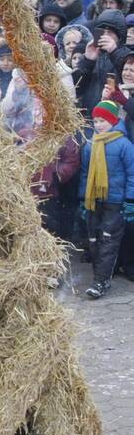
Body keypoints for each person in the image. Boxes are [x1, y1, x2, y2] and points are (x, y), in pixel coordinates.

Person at [80, 100, 134, 299]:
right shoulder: (90, 144)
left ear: (112, 120)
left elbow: (132, 174)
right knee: (93, 239)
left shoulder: (124, 145)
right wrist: (81, 199)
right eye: (95, 121)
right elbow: (85, 174)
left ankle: (101, 281)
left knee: (108, 240)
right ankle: (100, 276)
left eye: (102, 120)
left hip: (115, 201)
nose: (98, 125)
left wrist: (130, 200)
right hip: (94, 200)